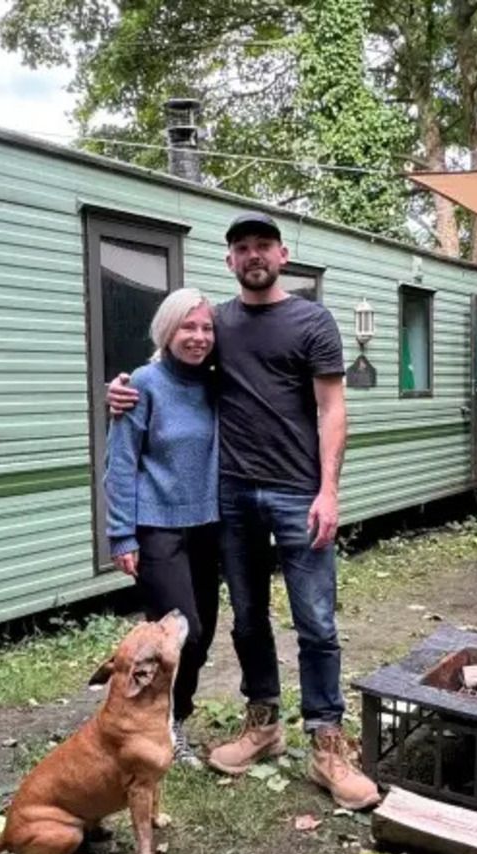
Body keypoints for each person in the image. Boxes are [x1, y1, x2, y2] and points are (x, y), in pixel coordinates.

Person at [107, 212, 380, 810]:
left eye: (263, 245)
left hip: (297, 493)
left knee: (316, 621)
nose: (253, 255)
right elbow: (173, 366)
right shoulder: (219, 324)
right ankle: (262, 724)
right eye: (241, 248)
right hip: (230, 496)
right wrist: (123, 387)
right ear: (230, 261)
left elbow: (332, 409)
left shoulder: (313, 320)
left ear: (282, 255)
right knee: (248, 619)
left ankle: (328, 743)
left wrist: (329, 490)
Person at [104, 288, 220, 769]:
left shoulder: (216, 383)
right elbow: (121, 461)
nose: (197, 337)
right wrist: (121, 534)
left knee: (206, 631)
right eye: (187, 327)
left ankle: (173, 716)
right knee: (182, 636)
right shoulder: (143, 384)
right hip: (157, 528)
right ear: (166, 331)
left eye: (206, 328)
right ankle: (161, 724)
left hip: (208, 525)